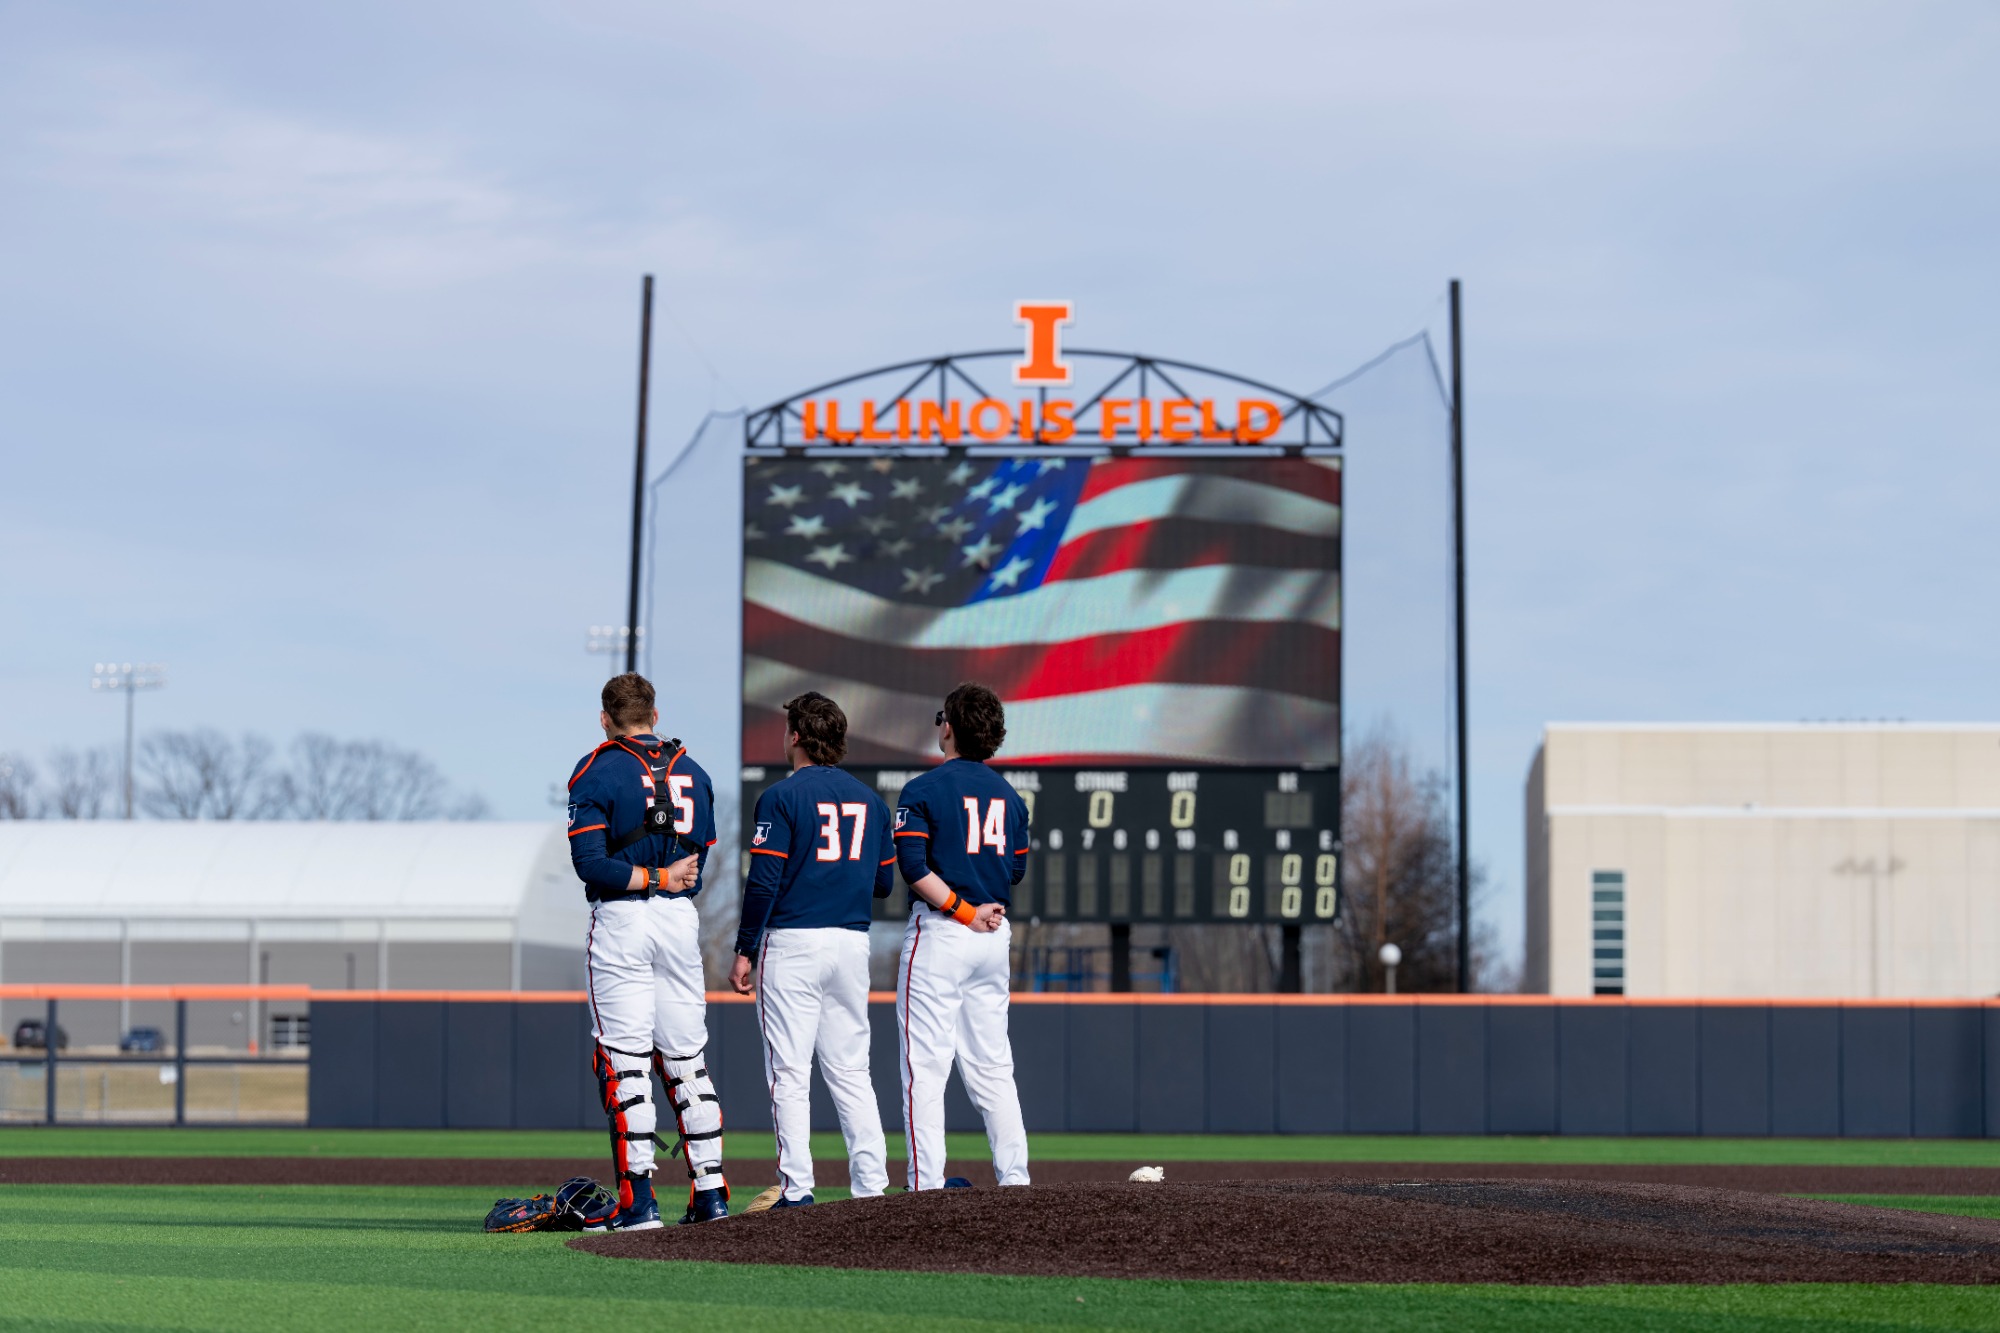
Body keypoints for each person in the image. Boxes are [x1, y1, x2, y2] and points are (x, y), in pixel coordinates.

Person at [727, 692, 989, 1206]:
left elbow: (763, 883)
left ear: (797, 736)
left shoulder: (781, 797)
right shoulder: (870, 801)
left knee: (789, 1073)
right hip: (851, 945)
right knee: (851, 1071)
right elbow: (884, 886)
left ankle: (797, 1189)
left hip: (795, 943)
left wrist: (744, 950)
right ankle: (871, 1188)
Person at [566, 671, 730, 1230]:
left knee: (623, 1062)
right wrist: (667, 878)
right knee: (687, 1060)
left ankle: (638, 1202)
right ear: (655, 716)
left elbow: (590, 864)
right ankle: (711, 1193)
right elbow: (696, 869)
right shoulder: (696, 771)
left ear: (606, 720)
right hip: (679, 924)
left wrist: (652, 877)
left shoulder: (595, 769)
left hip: (623, 919)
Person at [892, 681, 1030, 1191]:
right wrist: (979, 911)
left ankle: (926, 1186)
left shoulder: (924, 789)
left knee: (924, 1068)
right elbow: (1013, 873)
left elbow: (912, 866)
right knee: (994, 1067)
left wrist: (962, 909)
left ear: (948, 726)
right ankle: (1015, 1180)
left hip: (946, 930)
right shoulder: (1012, 799)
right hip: (993, 937)